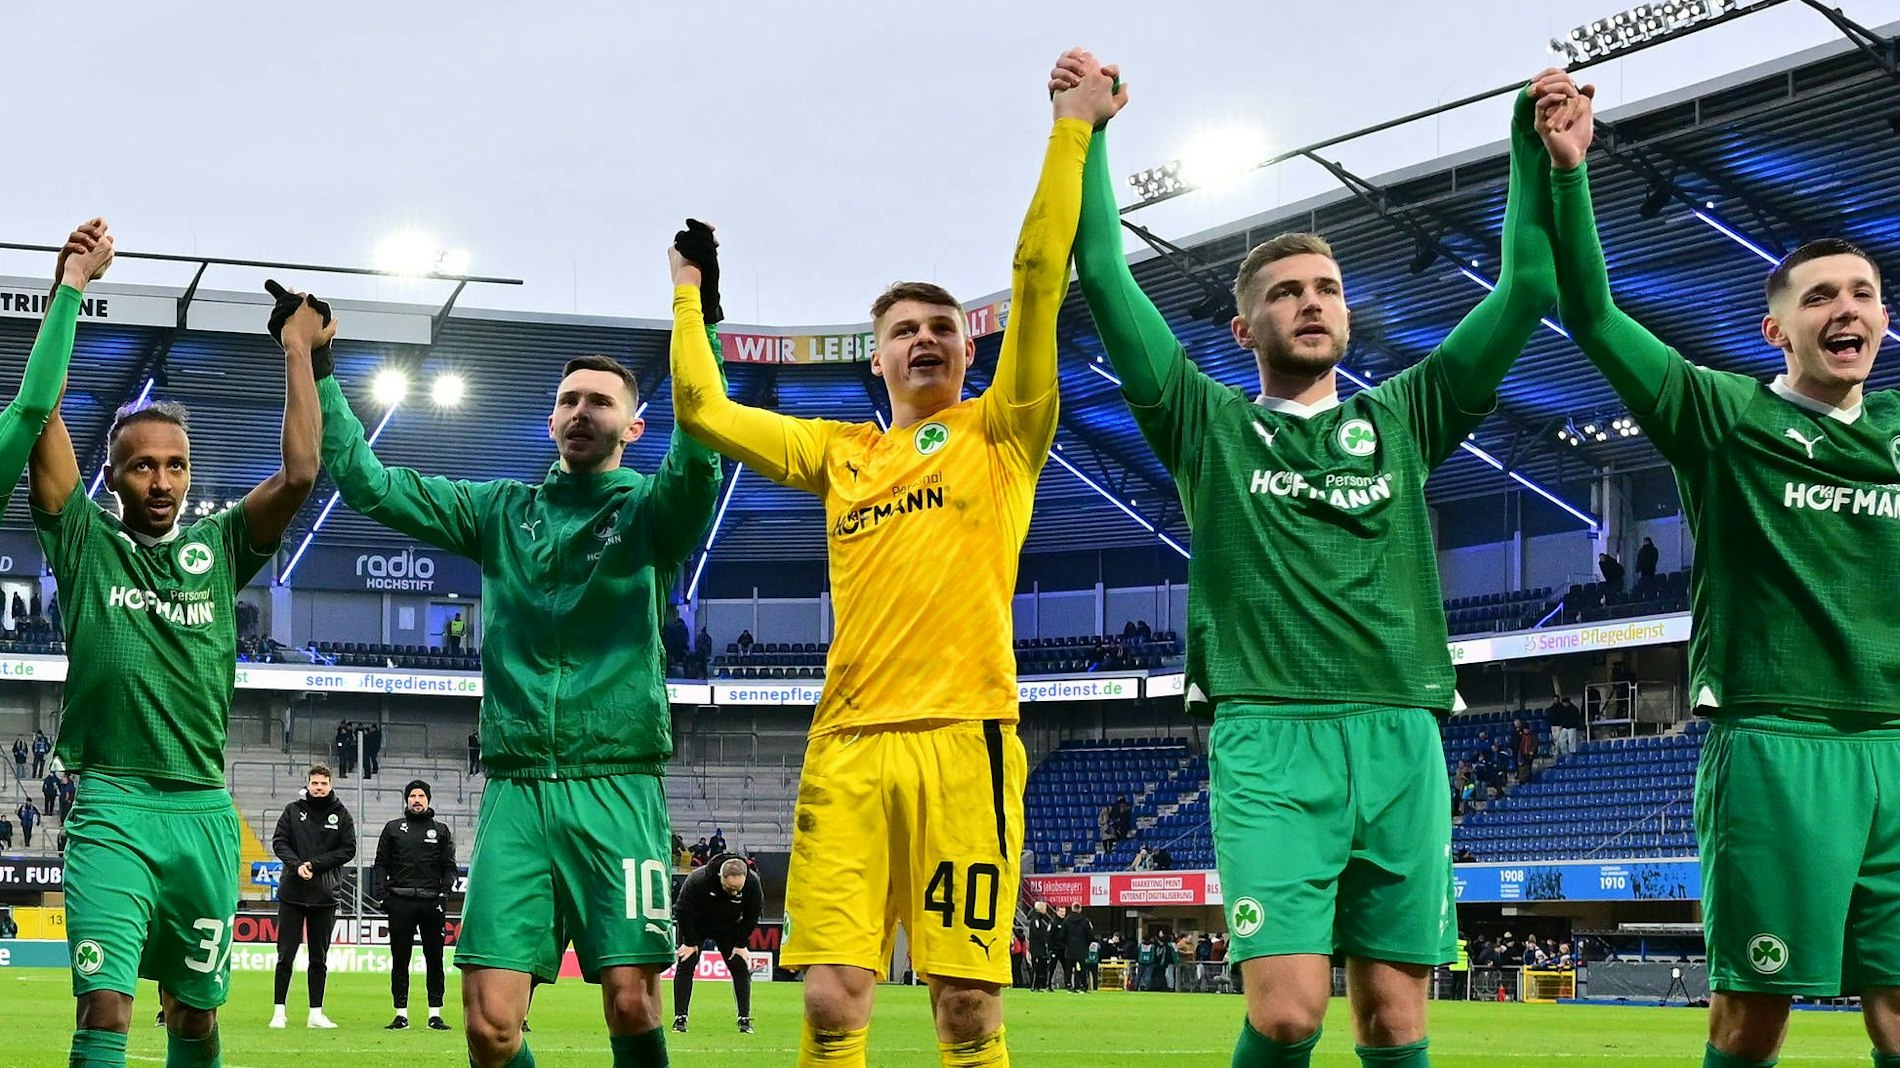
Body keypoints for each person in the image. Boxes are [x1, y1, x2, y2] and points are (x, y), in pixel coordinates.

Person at [1059, 47, 1564, 1068]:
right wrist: (1088, 133)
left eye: (1327, 287)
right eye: (1287, 291)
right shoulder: (1207, 426)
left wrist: (1536, 151)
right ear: (1244, 325)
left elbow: (1525, 290)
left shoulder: (1404, 416)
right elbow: (1105, 273)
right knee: (1289, 1012)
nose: (1312, 301)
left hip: (1400, 734)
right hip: (1267, 732)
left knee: (1394, 1018)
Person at [666, 60, 1113, 1068]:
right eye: (902, 330)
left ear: (968, 351)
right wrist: (691, 298)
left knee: (965, 1008)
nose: (923, 339)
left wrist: (1070, 130)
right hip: (850, 747)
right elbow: (702, 411)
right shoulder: (842, 453)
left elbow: (1041, 276)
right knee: (829, 999)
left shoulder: (1003, 432)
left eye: (941, 328)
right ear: (875, 358)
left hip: (968, 742)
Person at [1532, 70, 1900, 1068]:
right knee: (1754, 1018)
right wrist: (1568, 175)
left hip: (1897, 746)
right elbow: (1596, 317)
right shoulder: (1725, 417)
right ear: (1773, 328)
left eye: (1863, 293)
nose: (1846, 307)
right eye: (1818, 296)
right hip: (1775, 743)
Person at [317, 242, 725, 1068]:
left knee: (634, 999)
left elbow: (702, 451)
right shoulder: (500, 511)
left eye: (601, 402)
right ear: (550, 420)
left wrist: (696, 314)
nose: (582, 410)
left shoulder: (652, 513)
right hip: (516, 789)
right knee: (490, 1027)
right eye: (569, 400)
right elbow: (366, 484)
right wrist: (321, 367)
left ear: (632, 426)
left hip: (618, 784)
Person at [33, 237, 322, 1068]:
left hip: (201, 812)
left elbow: (300, 473)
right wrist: (69, 288)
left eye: (175, 466)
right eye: (141, 467)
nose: (161, 481)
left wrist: (297, 350)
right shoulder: (83, 542)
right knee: (107, 1008)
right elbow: (35, 411)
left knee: (191, 1019)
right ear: (112, 478)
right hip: (113, 809)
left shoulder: (223, 545)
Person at [269, 766, 356, 1029]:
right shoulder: (292, 810)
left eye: (323, 783)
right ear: (307, 784)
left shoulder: (341, 814)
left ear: (330, 785)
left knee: (319, 957)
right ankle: (279, 1012)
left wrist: (315, 865)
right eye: (314, 783)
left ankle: (315, 1013)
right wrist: (297, 865)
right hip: (292, 894)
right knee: (285, 955)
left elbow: (348, 849)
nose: (318, 787)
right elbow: (279, 841)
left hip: (324, 895)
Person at [375, 779, 458, 1031]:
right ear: (406, 800)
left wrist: (443, 894)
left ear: (428, 800)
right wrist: (383, 896)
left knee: (434, 959)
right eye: (413, 795)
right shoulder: (392, 828)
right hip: (400, 902)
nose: (417, 800)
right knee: (400, 959)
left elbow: (449, 867)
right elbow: (380, 864)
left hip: (431, 902)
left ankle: (435, 1014)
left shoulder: (441, 831)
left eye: (421, 795)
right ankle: (401, 1014)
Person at [671, 855, 764, 1035]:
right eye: (730, 889)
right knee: (686, 964)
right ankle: (680, 1018)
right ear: (720, 877)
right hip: (696, 924)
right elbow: (682, 910)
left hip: (728, 927)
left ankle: (744, 1019)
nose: (735, 893)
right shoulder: (698, 880)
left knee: (739, 965)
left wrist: (741, 944)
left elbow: (753, 914)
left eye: (738, 889)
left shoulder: (753, 883)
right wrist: (690, 942)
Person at [1062, 904, 1095, 993]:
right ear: (1080, 909)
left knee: (1069, 968)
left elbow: (1062, 935)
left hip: (1070, 948)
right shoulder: (1085, 921)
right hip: (1082, 948)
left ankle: (1068, 985)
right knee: (1082, 968)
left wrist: (1067, 944)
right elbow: (1090, 935)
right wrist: (1087, 944)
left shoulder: (1066, 921)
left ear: (1072, 908)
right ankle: (1083, 985)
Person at [1027, 901, 1059, 993]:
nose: (1046, 910)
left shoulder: (1040, 919)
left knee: (1040, 967)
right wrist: (1045, 938)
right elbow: (1038, 933)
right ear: (1040, 909)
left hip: (1040, 948)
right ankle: (1034, 986)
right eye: (1044, 908)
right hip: (1036, 948)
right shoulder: (1036, 920)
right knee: (1036, 967)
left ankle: (1037, 986)